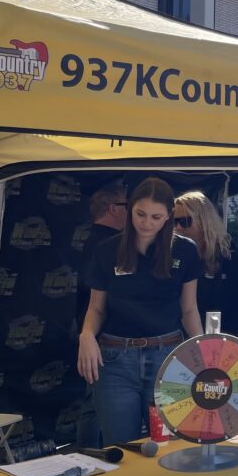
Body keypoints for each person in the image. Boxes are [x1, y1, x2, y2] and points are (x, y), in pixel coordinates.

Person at [79, 177, 203, 446]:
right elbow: (96, 307)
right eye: (141, 214)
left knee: (172, 447)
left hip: (168, 357)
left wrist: (202, 352)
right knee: (122, 448)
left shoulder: (185, 251)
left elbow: (189, 309)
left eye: (156, 217)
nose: (147, 223)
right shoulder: (107, 250)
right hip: (115, 360)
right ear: (130, 209)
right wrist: (86, 335)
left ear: (169, 215)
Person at [75, 180, 127, 448]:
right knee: (95, 402)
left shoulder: (94, 239)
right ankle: (87, 455)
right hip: (102, 334)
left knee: (94, 402)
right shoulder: (106, 245)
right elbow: (97, 298)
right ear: (113, 208)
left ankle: (87, 453)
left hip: (96, 332)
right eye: (128, 206)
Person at [173, 192, 238, 337]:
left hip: (220, 333)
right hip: (180, 336)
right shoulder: (173, 253)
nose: (178, 227)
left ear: (203, 221)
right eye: (174, 222)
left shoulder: (226, 253)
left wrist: (231, 338)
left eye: (185, 221)